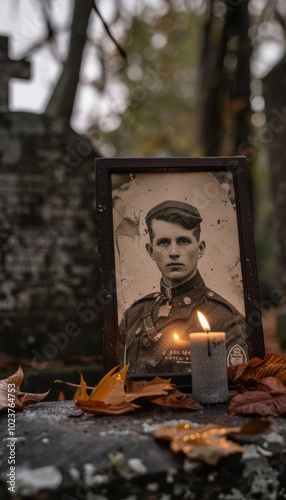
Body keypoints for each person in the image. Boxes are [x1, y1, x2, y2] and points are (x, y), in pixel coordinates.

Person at [119, 200, 249, 375]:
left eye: (183, 241)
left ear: (200, 248)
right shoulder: (133, 316)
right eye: (164, 242)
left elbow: (236, 389)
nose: (173, 252)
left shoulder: (227, 320)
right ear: (151, 251)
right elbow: (114, 384)